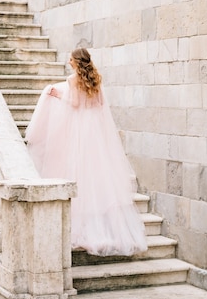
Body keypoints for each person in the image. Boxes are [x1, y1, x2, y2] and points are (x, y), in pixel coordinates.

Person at [25, 47, 148, 257]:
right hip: (94, 128)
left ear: (76, 61)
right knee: (95, 173)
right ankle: (103, 225)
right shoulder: (96, 79)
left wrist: (57, 95)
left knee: (77, 169)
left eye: (70, 58)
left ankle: (81, 223)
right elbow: (99, 104)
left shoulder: (72, 80)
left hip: (79, 128)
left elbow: (73, 103)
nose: (68, 61)